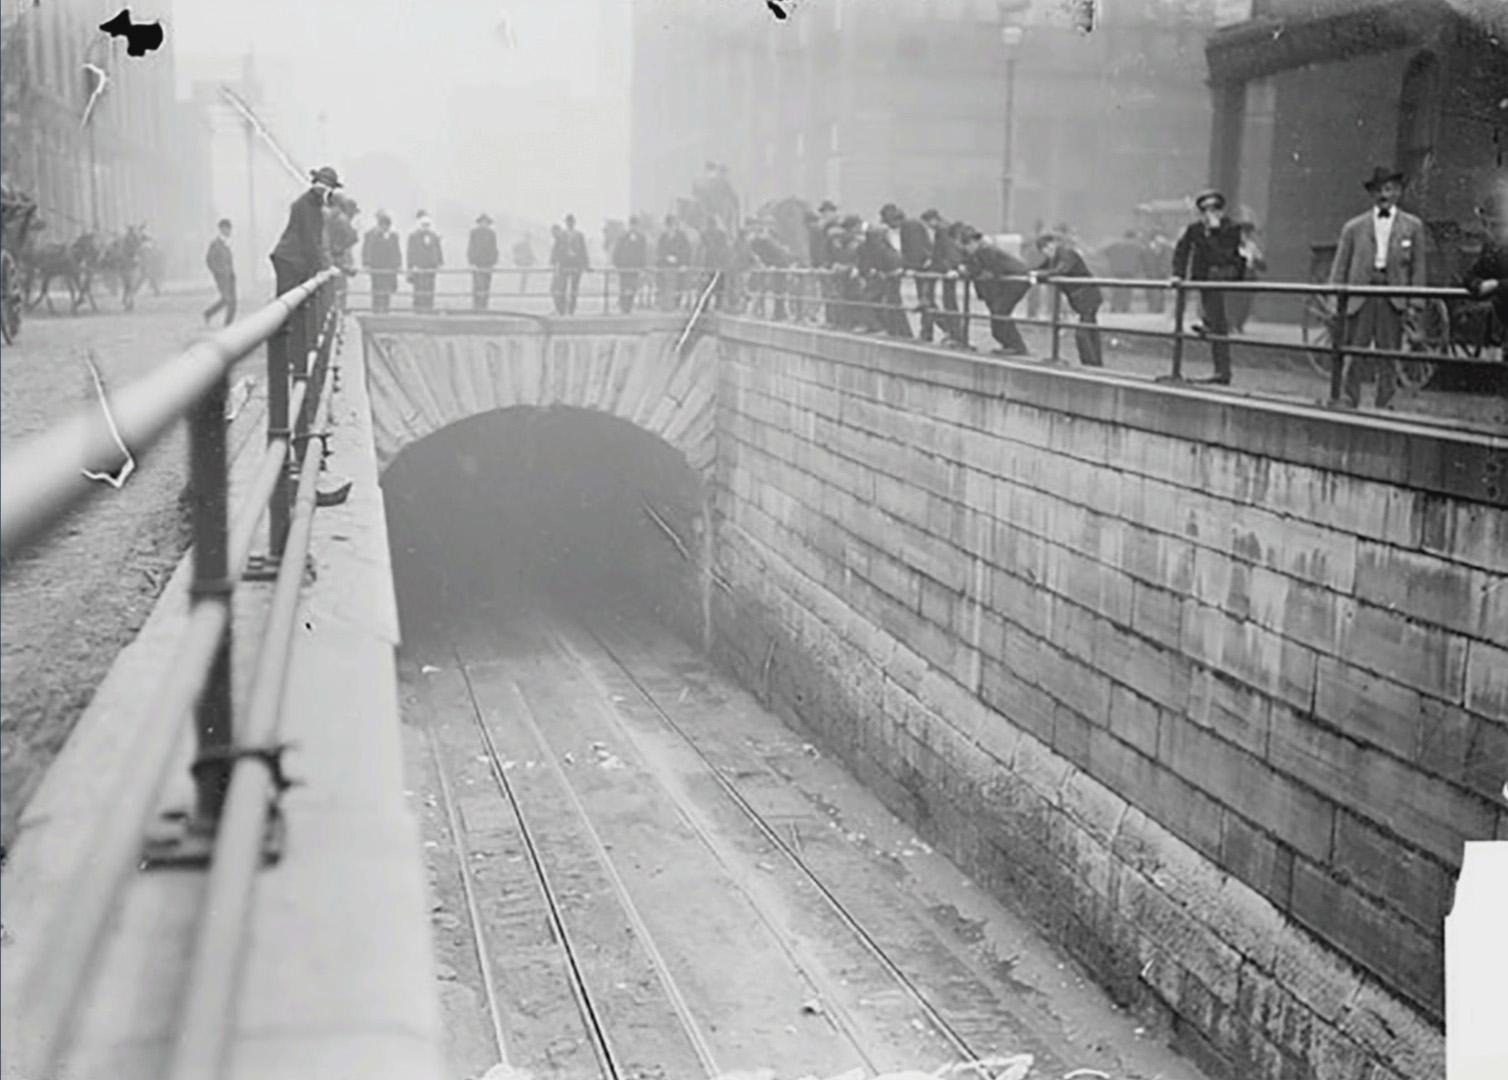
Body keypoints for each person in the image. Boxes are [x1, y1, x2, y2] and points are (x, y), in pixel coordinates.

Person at [1327, 166, 1429, 409]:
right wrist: (1334, 302)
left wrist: (1415, 303)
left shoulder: (1413, 226)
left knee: (1389, 351)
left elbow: (1418, 268)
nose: (1384, 195)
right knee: (1355, 348)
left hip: (1393, 296)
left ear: (1398, 192)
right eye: (1379, 190)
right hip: (1361, 295)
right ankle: (1349, 397)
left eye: (1389, 189)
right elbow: (1340, 268)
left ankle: (1386, 401)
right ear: (1372, 194)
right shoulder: (1353, 228)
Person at [1172, 189, 1245, 384]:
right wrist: (1178, 274)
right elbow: (1182, 251)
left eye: (1214, 209)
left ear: (1222, 210)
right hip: (1205, 281)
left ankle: (1222, 371)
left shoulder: (1231, 229)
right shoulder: (1195, 229)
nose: (1210, 214)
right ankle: (1220, 368)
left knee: (1220, 324)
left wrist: (1214, 232)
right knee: (1216, 321)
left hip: (1226, 279)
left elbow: (1224, 256)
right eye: (1205, 210)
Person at [1035, 232, 1103, 367]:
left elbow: (1062, 270)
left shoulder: (1066, 254)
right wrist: (1031, 273)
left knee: (1082, 333)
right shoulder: (1054, 258)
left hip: (1087, 297)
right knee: (1090, 330)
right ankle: (1095, 362)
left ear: (1053, 244)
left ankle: (1090, 363)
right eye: (1044, 250)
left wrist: (1038, 275)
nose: (1047, 252)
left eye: (1048, 247)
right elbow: (1041, 268)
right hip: (1083, 297)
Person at [959, 227, 1030, 355]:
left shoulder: (986, 251)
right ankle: (1010, 345)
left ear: (974, 242)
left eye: (968, 244)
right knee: (998, 313)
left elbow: (989, 271)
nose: (967, 248)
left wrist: (968, 272)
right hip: (1011, 283)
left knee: (999, 312)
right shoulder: (982, 252)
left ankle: (1017, 346)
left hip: (1016, 282)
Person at [270, 165, 338, 296]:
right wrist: (322, 267)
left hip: (293, 260)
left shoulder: (311, 203)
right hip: (290, 260)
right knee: (291, 298)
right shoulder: (307, 205)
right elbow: (310, 239)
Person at [1462, 181, 1508, 358]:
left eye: (1499, 225)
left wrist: (1497, 285)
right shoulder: (1491, 249)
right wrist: (1477, 284)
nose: (1492, 231)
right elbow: (1471, 274)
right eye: (1488, 225)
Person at [749, 219, 794, 321]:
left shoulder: (765, 242)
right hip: (774, 266)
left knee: (777, 289)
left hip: (778, 266)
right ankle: (771, 312)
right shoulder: (764, 241)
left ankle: (777, 312)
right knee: (772, 289)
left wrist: (769, 265)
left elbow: (775, 255)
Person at [1229, 220, 1267, 333]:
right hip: (1235, 275)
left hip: (1248, 276)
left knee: (1246, 302)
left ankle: (1239, 324)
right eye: (1243, 232)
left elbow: (1261, 262)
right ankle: (1231, 323)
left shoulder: (1252, 246)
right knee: (1233, 301)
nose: (1245, 235)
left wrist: (1257, 261)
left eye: (1248, 233)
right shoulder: (1231, 245)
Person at [362, 211, 402, 312]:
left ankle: (385, 309)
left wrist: (398, 264)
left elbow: (396, 251)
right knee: (377, 289)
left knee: (387, 289)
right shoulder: (371, 235)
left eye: (387, 226)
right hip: (376, 267)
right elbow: (366, 250)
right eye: (383, 225)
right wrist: (367, 263)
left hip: (389, 267)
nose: (385, 228)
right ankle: (376, 310)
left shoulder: (393, 236)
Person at [406, 211, 444, 311]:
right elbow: (410, 252)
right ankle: (418, 309)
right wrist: (411, 266)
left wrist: (439, 262)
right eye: (423, 225)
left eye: (427, 225)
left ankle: (429, 308)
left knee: (429, 288)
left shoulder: (434, 236)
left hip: (431, 267)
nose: (425, 227)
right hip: (418, 267)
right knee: (419, 288)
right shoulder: (413, 236)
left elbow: (438, 249)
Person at [202, 218, 236, 326]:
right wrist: (217, 271)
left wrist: (231, 272)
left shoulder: (227, 244)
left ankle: (228, 323)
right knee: (226, 299)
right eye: (227, 229)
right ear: (222, 229)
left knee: (233, 301)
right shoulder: (215, 244)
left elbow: (229, 261)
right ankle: (209, 313)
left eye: (230, 229)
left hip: (230, 276)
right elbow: (209, 260)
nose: (229, 231)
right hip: (221, 277)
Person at [612, 215, 649, 312]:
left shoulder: (641, 238)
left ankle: (629, 306)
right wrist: (618, 265)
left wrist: (642, 267)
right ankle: (624, 307)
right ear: (629, 225)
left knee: (633, 288)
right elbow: (617, 251)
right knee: (624, 287)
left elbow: (643, 253)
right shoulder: (623, 237)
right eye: (632, 225)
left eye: (635, 225)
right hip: (624, 268)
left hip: (635, 268)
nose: (633, 227)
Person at [1102, 230, 1144, 313]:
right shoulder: (1137, 247)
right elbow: (1141, 258)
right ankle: (1125, 307)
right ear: (1133, 237)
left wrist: (1113, 261)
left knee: (1116, 289)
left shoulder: (1115, 245)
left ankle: (1114, 307)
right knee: (1127, 290)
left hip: (1116, 270)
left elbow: (1105, 252)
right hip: (1129, 271)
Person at [656, 214, 692, 309]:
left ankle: (676, 304)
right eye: (668, 225)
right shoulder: (663, 237)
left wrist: (684, 264)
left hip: (679, 266)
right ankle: (666, 306)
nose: (670, 227)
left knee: (678, 287)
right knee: (665, 286)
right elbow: (659, 251)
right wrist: (665, 258)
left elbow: (687, 251)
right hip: (666, 267)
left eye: (672, 225)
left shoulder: (682, 236)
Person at [557, 213, 589, 314]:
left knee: (574, 287)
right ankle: (562, 309)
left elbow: (583, 250)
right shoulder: (561, 235)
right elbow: (557, 249)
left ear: (574, 223)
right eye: (568, 222)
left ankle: (572, 309)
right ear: (566, 223)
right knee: (562, 287)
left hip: (576, 264)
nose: (570, 224)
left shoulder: (579, 235)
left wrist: (586, 264)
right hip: (564, 264)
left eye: (571, 222)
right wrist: (555, 262)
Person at [467, 213, 499, 311]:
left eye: (486, 222)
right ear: (479, 223)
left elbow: (494, 248)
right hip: (477, 263)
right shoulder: (474, 233)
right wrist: (472, 262)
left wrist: (494, 262)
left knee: (486, 285)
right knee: (477, 284)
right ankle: (477, 305)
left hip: (488, 263)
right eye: (482, 222)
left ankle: (484, 305)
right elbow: (471, 247)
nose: (484, 224)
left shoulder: (492, 234)